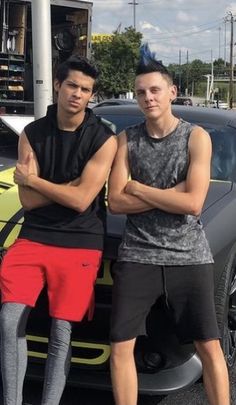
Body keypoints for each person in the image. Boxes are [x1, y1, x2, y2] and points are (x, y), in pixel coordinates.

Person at [108, 43, 230, 405]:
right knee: (119, 345)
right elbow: (115, 201)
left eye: (155, 90)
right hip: (137, 255)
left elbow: (192, 203)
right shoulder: (126, 140)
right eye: (141, 92)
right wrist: (170, 194)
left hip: (189, 255)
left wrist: (140, 188)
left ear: (172, 92)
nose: (148, 98)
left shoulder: (196, 137)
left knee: (209, 344)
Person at [0, 54, 117, 405]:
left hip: (81, 242)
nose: (78, 94)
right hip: (34, 237)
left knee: (61, 330)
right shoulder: (32, 134)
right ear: (57, 85)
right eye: (72, 86)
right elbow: (29, 201)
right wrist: (64, 188)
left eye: (86, 89)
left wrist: (37, 180)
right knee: (8, 321)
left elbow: (82, 201)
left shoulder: (104, 139)